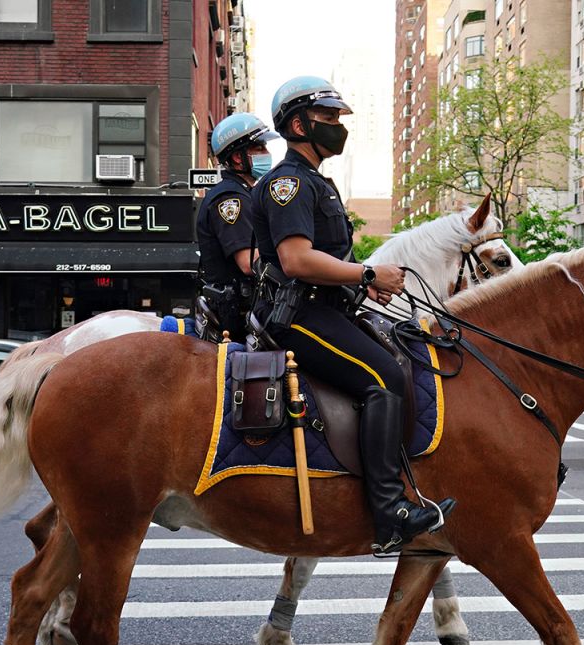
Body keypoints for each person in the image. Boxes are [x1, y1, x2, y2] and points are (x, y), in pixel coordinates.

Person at [249, 76, 454, 556]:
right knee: (382, 379)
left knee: (403, 355)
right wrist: (365, 275)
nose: (338, 127)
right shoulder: (288, 183)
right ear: (298, 125)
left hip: (323, 306)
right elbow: (297, 260)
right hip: (295, 315)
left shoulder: (315, 181)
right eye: (329, 119)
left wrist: (358, 284)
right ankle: (388, 511)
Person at [195, 113, 279, 342]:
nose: (267, 154)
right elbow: (249, 263)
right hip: (237, 320)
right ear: (238, 158)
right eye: (259, 148)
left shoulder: (245, 193)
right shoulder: (231, 198)